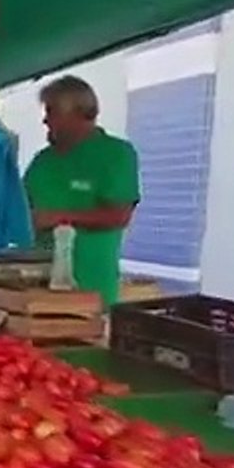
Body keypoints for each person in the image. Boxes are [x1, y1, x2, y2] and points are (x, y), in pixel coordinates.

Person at [24, 75, 140, 307]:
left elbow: (118, 215)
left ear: (78, 114)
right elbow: (20, 211)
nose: (45, 121)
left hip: (90, 289)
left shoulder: (115, 154)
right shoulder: (42, 161)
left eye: (51, 112)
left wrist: (59, 218)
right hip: (37, 288)